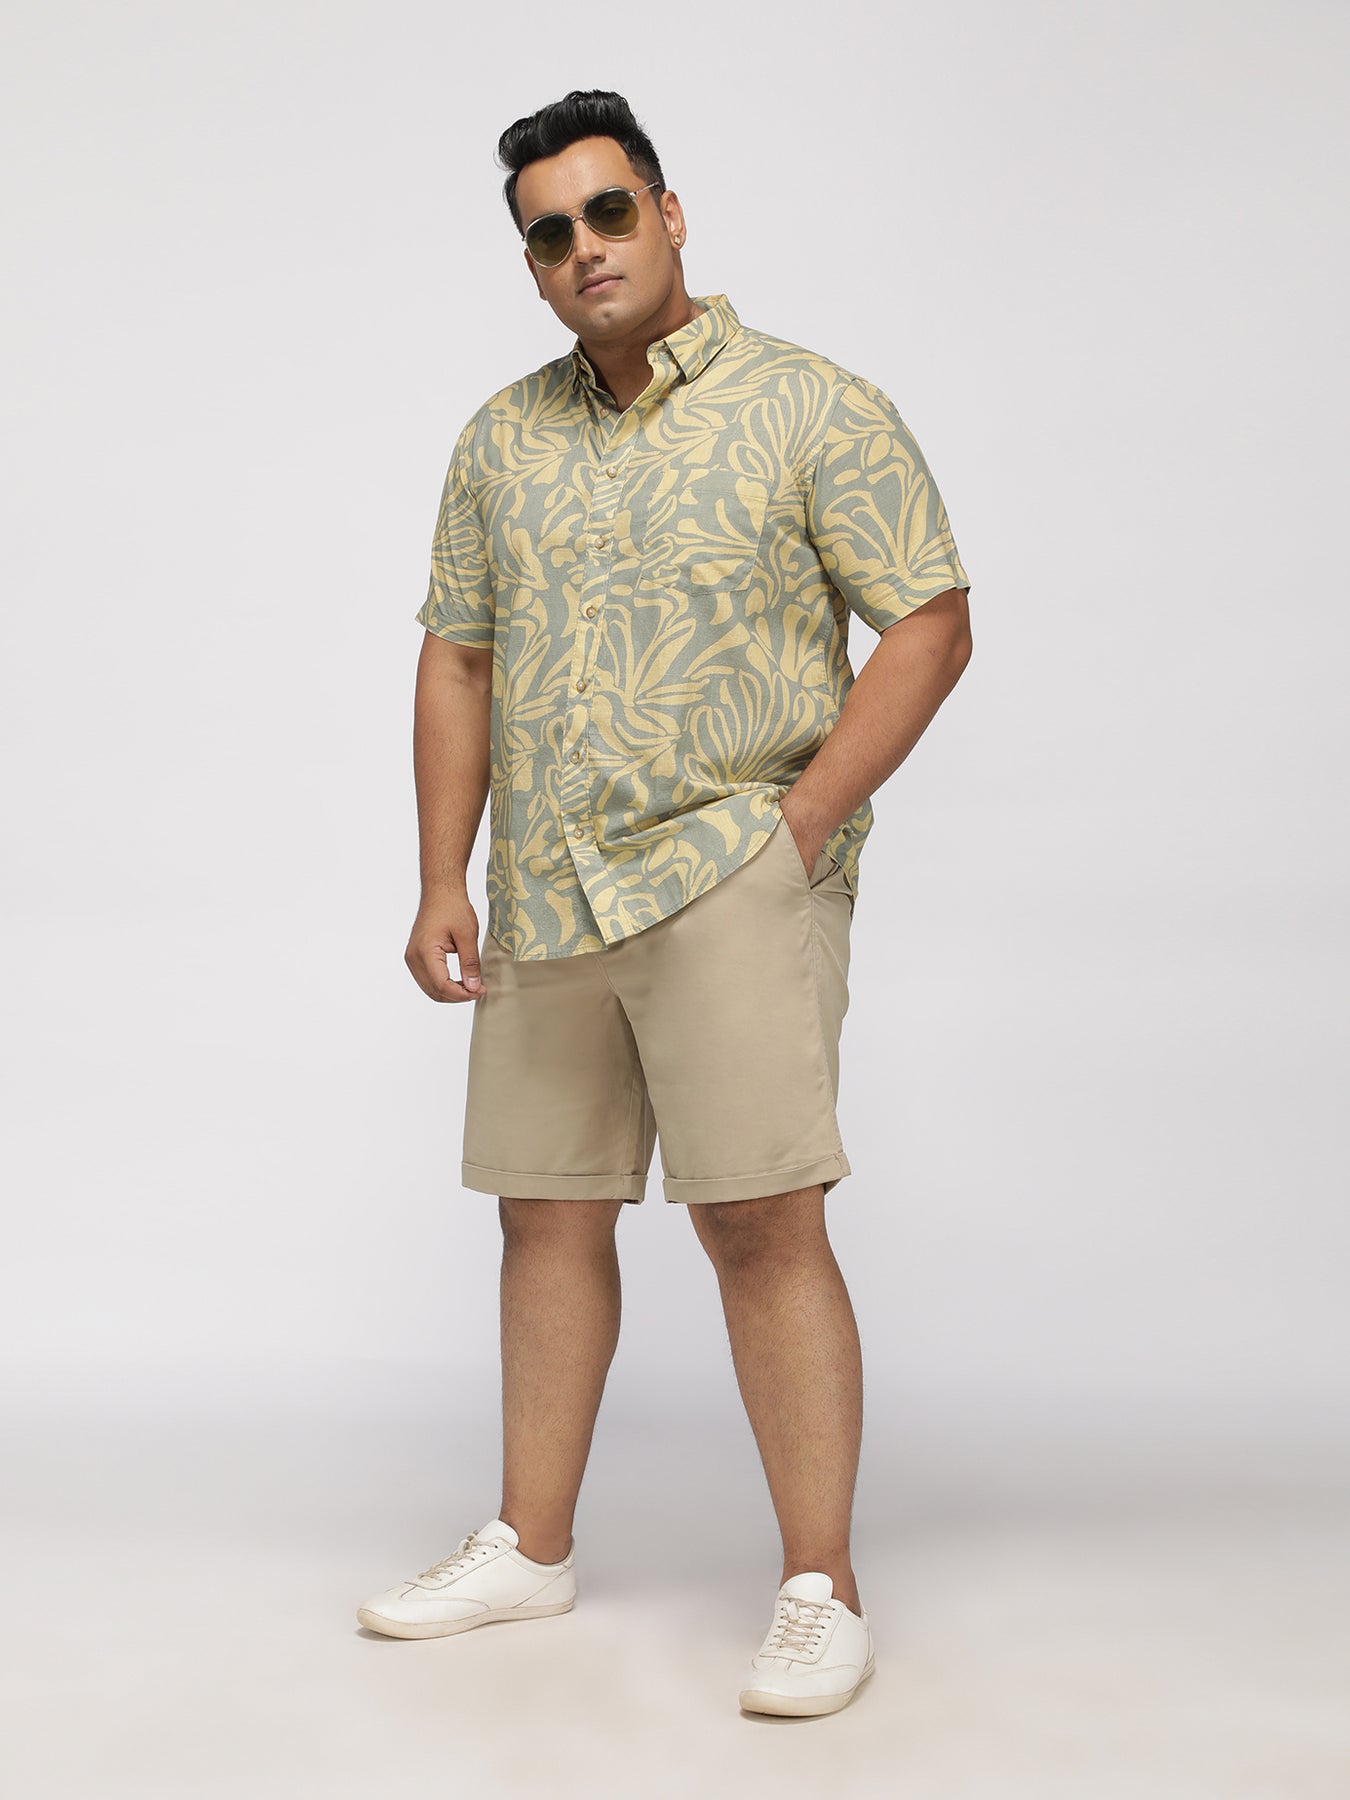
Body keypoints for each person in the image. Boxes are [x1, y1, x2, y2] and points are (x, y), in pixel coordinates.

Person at [357, 88, 973, 1718]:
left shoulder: (810, 405)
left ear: (670, 212)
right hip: (548, 886)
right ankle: (531, 1543)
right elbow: (458, 656)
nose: (584, 249)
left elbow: (928, 620)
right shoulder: (502, 437)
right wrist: (440, 872)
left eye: (608, 212)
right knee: (544, 1210)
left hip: (726, 873)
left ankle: (821, 1586)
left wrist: (801, 825)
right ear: (531, 263)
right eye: (549, 233)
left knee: (758, 1215)